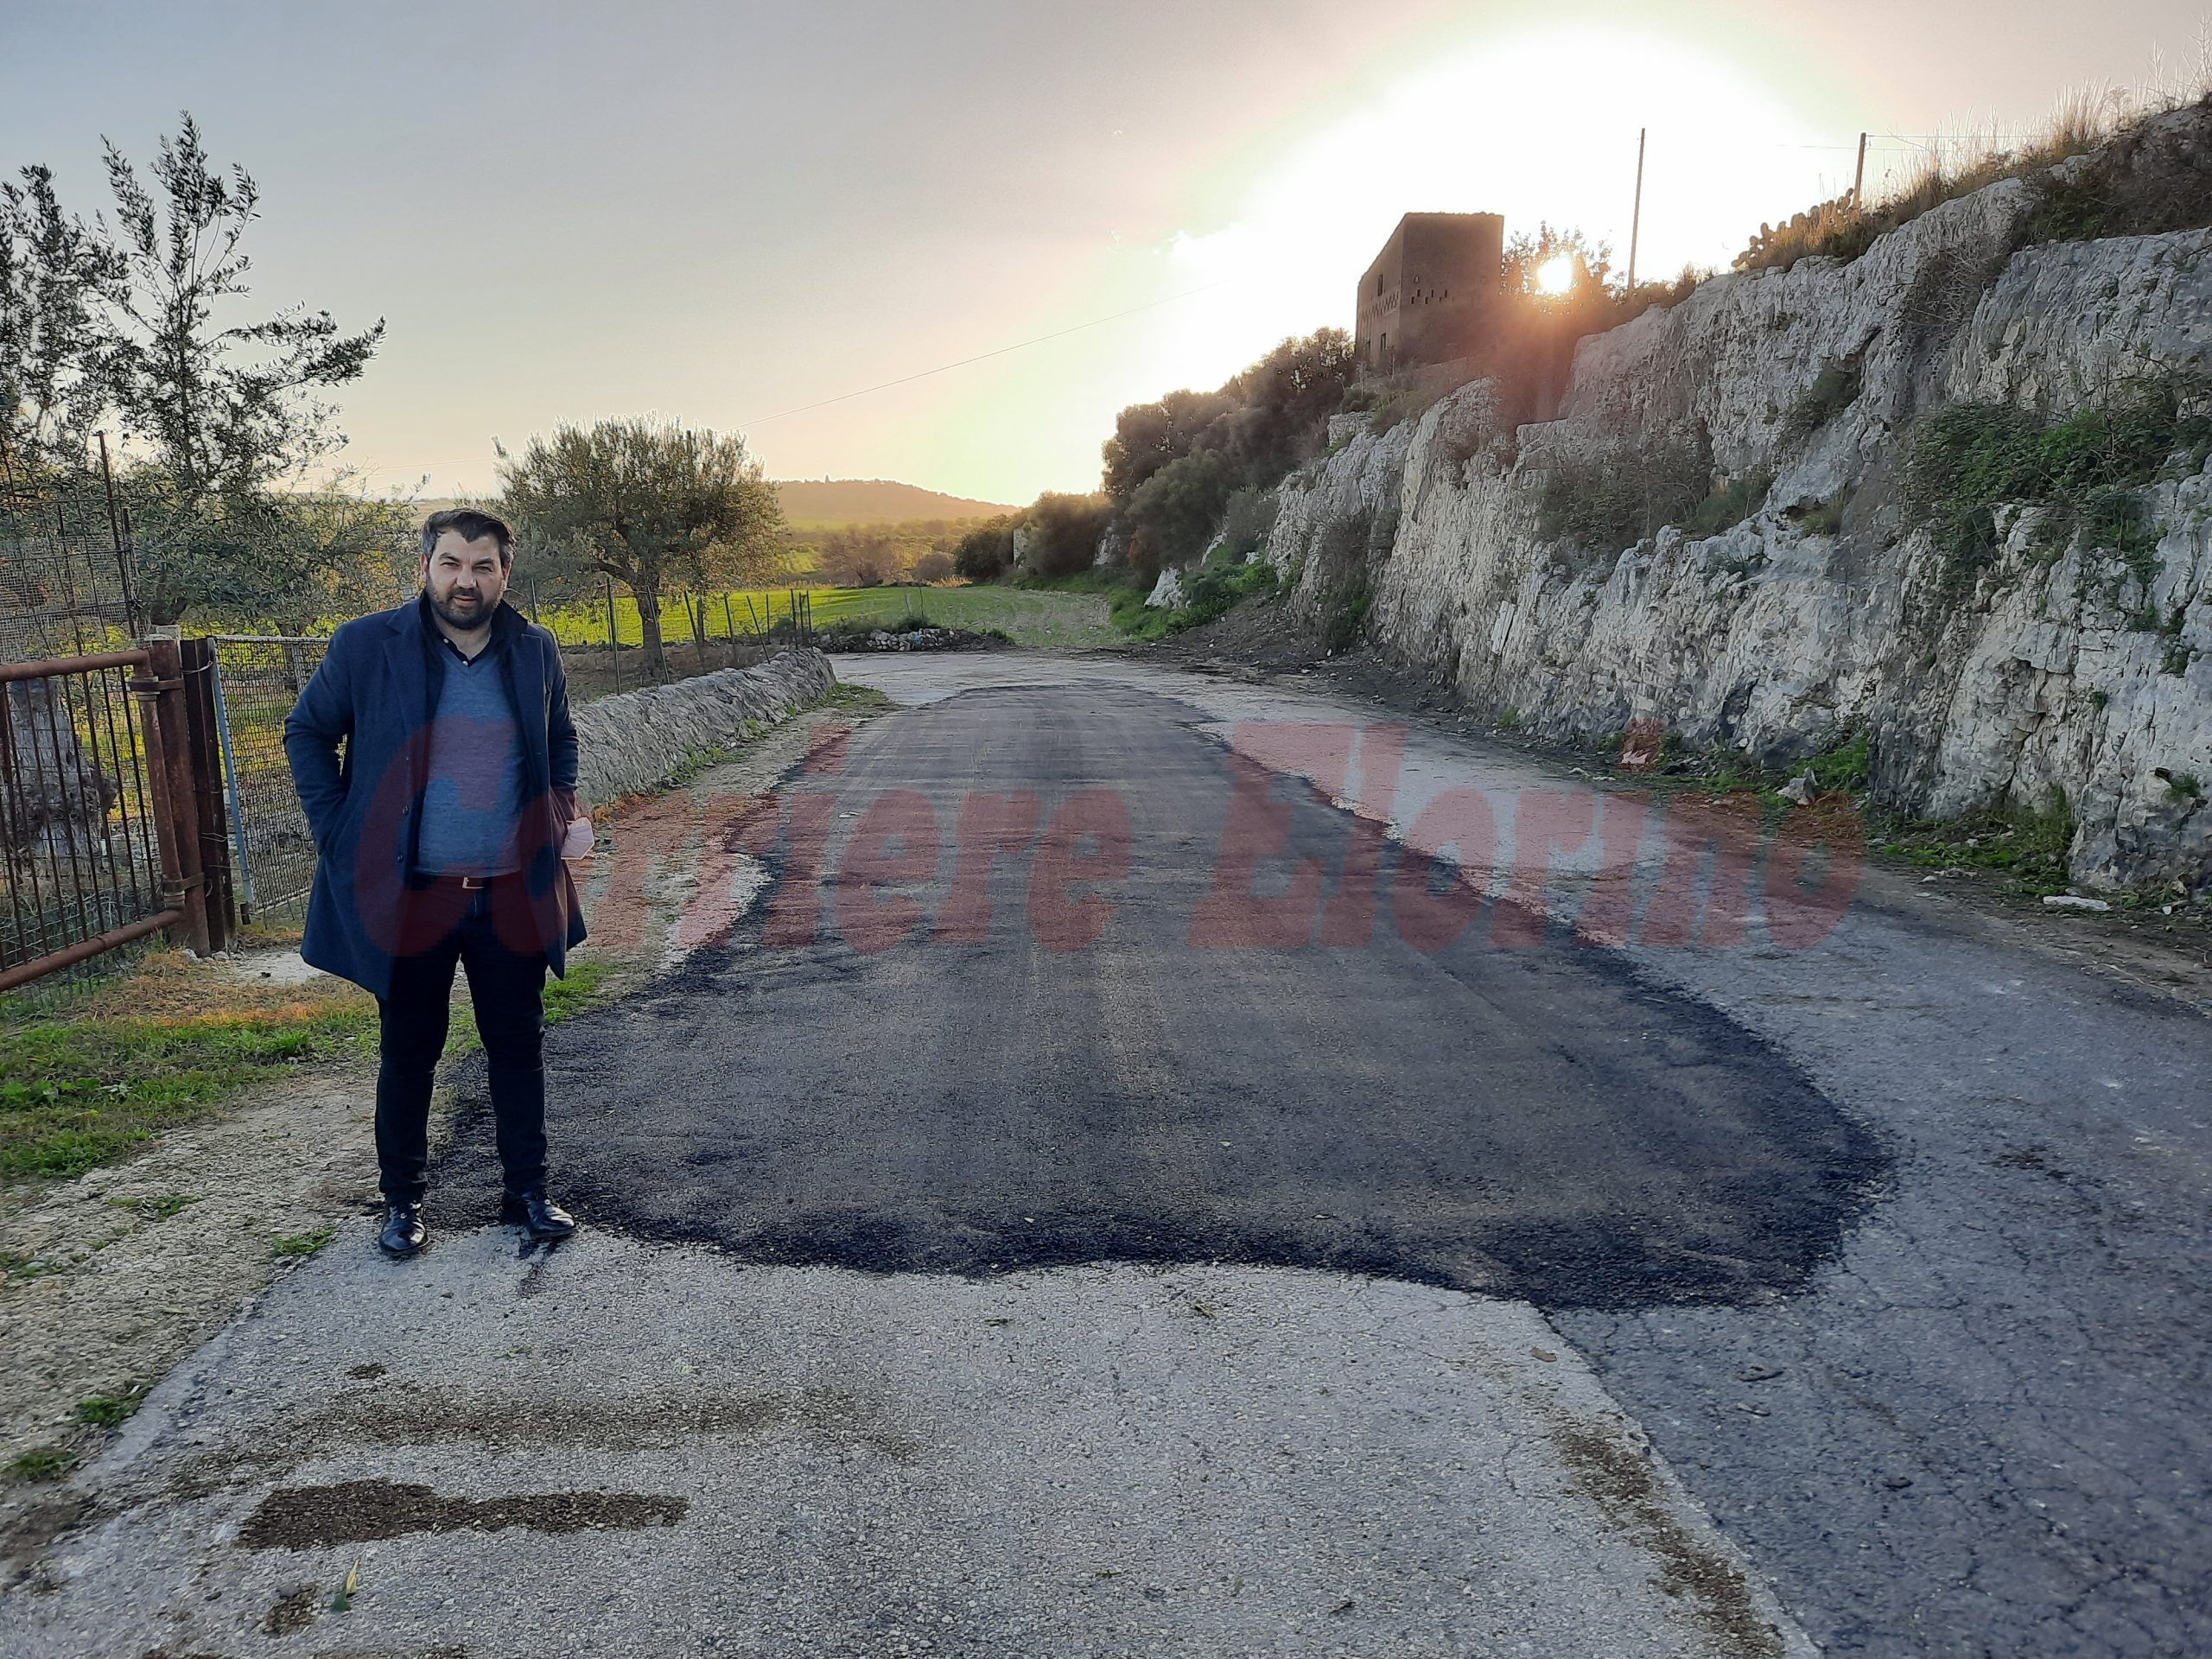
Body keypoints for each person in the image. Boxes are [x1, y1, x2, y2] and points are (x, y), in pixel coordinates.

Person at [284, 507, 591, 1257]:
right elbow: (307, 731)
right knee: (409, 1051)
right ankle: (403, 1204)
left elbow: (560, 738)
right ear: (426, 566)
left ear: (504, 574)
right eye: (452, 563)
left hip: (510, 894)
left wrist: (556, 809)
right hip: (409, 895)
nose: (466, 580)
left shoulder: (535, 649)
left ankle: (528, 1192)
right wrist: (338, 833)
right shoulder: (367, 646)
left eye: (483, 566)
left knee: (516, 1045)